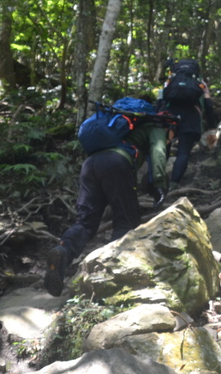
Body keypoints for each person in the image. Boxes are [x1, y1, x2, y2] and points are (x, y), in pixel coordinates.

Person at [45, 111, 168, 296]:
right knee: (126, 221)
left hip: (90, 165)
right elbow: (158, 152)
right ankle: (109, 275)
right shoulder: (156, 127)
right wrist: (159, 185)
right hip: (117, 163)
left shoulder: (116, 125)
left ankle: (63, 250)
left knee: (86, 222)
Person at [159, 59, 216, 193]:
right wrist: (212, 124)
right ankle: (173, 185)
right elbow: (208, 104)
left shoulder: (170, 81)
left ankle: (157, 183)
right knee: (183, 152)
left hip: (169, 116)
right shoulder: (199, 83)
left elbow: (161, 100)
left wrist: (158, 118)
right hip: (191, 117)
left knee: (163, 149)